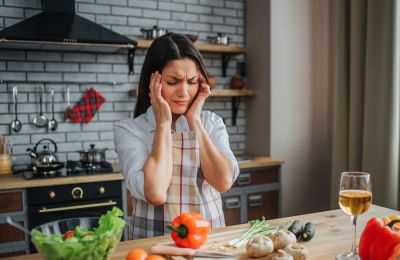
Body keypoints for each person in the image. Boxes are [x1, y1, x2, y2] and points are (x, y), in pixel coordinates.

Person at [114, 33, 239, 239]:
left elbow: (223, 182)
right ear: (153, 83)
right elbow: (155, 193)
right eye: (173, 82)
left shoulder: (211, 123)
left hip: (209, 244)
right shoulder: (129, 130)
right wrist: (163, 122)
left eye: (191, 81)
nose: (184, 92)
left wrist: (194, 120)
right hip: (152, 247)